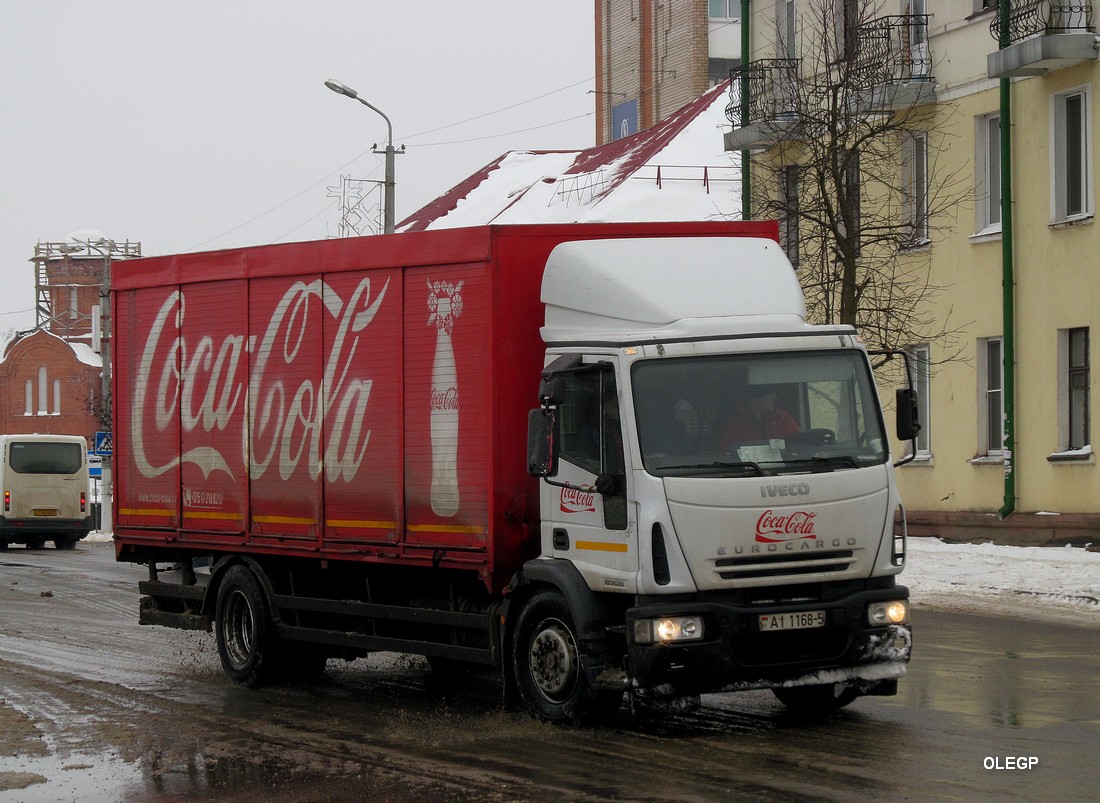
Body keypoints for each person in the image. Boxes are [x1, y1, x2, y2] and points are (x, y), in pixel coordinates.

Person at [719, 385, 800, 447]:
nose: (775, 399)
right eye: (770, 395)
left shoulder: (782, 418)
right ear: (756, 398)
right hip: (750, 468)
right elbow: (726, 454)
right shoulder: (734, 424)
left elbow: (799, 443)